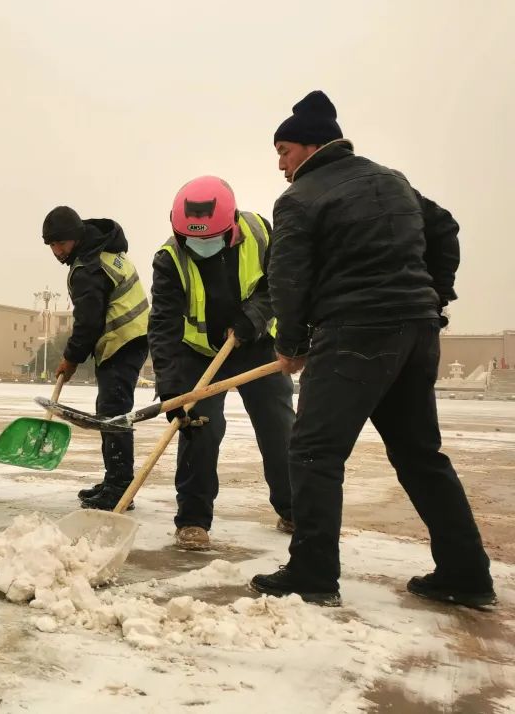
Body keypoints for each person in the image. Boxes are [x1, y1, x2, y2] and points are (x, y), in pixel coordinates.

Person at [250, 91, 495, 609]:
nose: (280, 163)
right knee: (420, 454)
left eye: (284, 150)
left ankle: (312, 573)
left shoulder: (300, 198)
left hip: (355, 333)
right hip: (416, 332)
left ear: (313, 145)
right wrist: (433, 295)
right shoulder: (391, 179)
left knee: (314, 451)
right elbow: (445, 227)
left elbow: (287, 277)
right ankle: (466, 573)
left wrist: (291, 344)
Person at [148, 176, 294, 550]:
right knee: (199, 428)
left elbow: (281, 283)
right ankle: (193, 520)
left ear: (230, 228)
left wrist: (254, 317)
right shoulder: (169, 258)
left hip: (256, 345)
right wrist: (171, 388)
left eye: (209, 238)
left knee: (279, 427)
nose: (201, 246)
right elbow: (163, 327)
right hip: (198, 355)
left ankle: (294, 509)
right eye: (193, 239)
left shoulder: (260, 232)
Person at [42, 207, 149, 511]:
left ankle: (119, 489)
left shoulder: (88, 267)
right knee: (109, 410)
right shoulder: (102, 247)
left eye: (61, 244)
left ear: (75, 237)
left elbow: (88, 322)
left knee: (113, 412)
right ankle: (114, 479)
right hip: (133, 335)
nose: (57, 251)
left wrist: (71, 359)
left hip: (124, 339)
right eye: (52, 245)